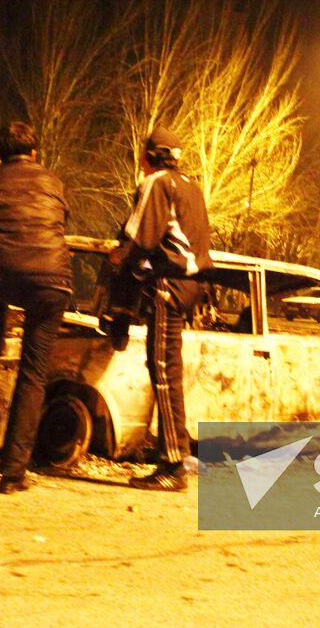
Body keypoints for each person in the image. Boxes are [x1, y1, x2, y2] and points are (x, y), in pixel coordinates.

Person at [0, 122, 73, 493]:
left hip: (6, 277)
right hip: (54, 281)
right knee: (33, 375)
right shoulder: (54, 182)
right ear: (35, 153)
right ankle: (12, 473)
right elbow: (60, 225)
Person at [108, 127, 213, 492]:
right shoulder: (192, 186)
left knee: (164, 372)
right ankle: (173, 455)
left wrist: (117, 260)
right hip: (190, 286)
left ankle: (172, 464)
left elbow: (140, 239)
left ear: (148, 156)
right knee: (166, 368)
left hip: (168, 287)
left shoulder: (157, 183)